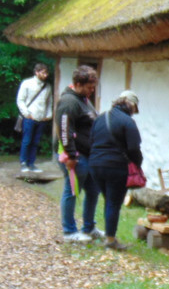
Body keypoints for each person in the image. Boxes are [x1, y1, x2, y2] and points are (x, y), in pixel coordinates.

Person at [89, 91, 142, 251]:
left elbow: (91, 140)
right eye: (134, 108)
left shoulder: (100, 118)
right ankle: (110, 240)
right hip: (116, 166)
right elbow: (134, 148)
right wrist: (137, 164)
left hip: (95, 165)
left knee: (108, 200)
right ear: (131, 104)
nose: (134, 112)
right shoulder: (128, 122)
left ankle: (109, 236)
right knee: (113, 202)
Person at [56, 65, 102, 243]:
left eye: (93, 87)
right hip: (76, 156)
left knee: (93, 190)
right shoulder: (69, 102)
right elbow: (64, 130)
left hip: (89, 155)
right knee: (72, 191)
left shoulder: (83, 99)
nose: (92, 91)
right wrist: (71, 155)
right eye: (89, 87)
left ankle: (89, 227)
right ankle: (69, 232)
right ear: (77, 84)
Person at [16, 63, 53, 173]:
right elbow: (20, 100)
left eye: (46, 72)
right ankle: (23, 163)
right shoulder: (27, 83)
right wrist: (27, 114)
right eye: (43, 72)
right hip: (30, 117)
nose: (45, 75)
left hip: (41, 118)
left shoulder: (47, 86)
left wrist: (48, 115)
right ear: (36, 72)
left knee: (35, 142)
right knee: (27, 140)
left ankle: (31, 163)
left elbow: (49, 102)